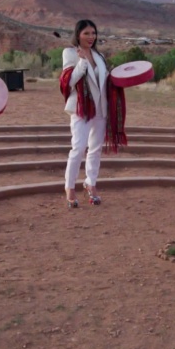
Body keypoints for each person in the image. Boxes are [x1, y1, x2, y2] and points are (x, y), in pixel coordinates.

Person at [59, 19, 127, 208]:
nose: (91, 37)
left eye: (93, 33)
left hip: (100, 108)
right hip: (81, 108)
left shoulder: (98, 55)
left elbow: (103, 80)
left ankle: (91, 183)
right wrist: (81, 61)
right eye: (87, 33)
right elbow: (69, 81)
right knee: (78, 148)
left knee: (95, 148)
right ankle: (70, 187)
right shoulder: (70, 53)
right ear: (78, 34)